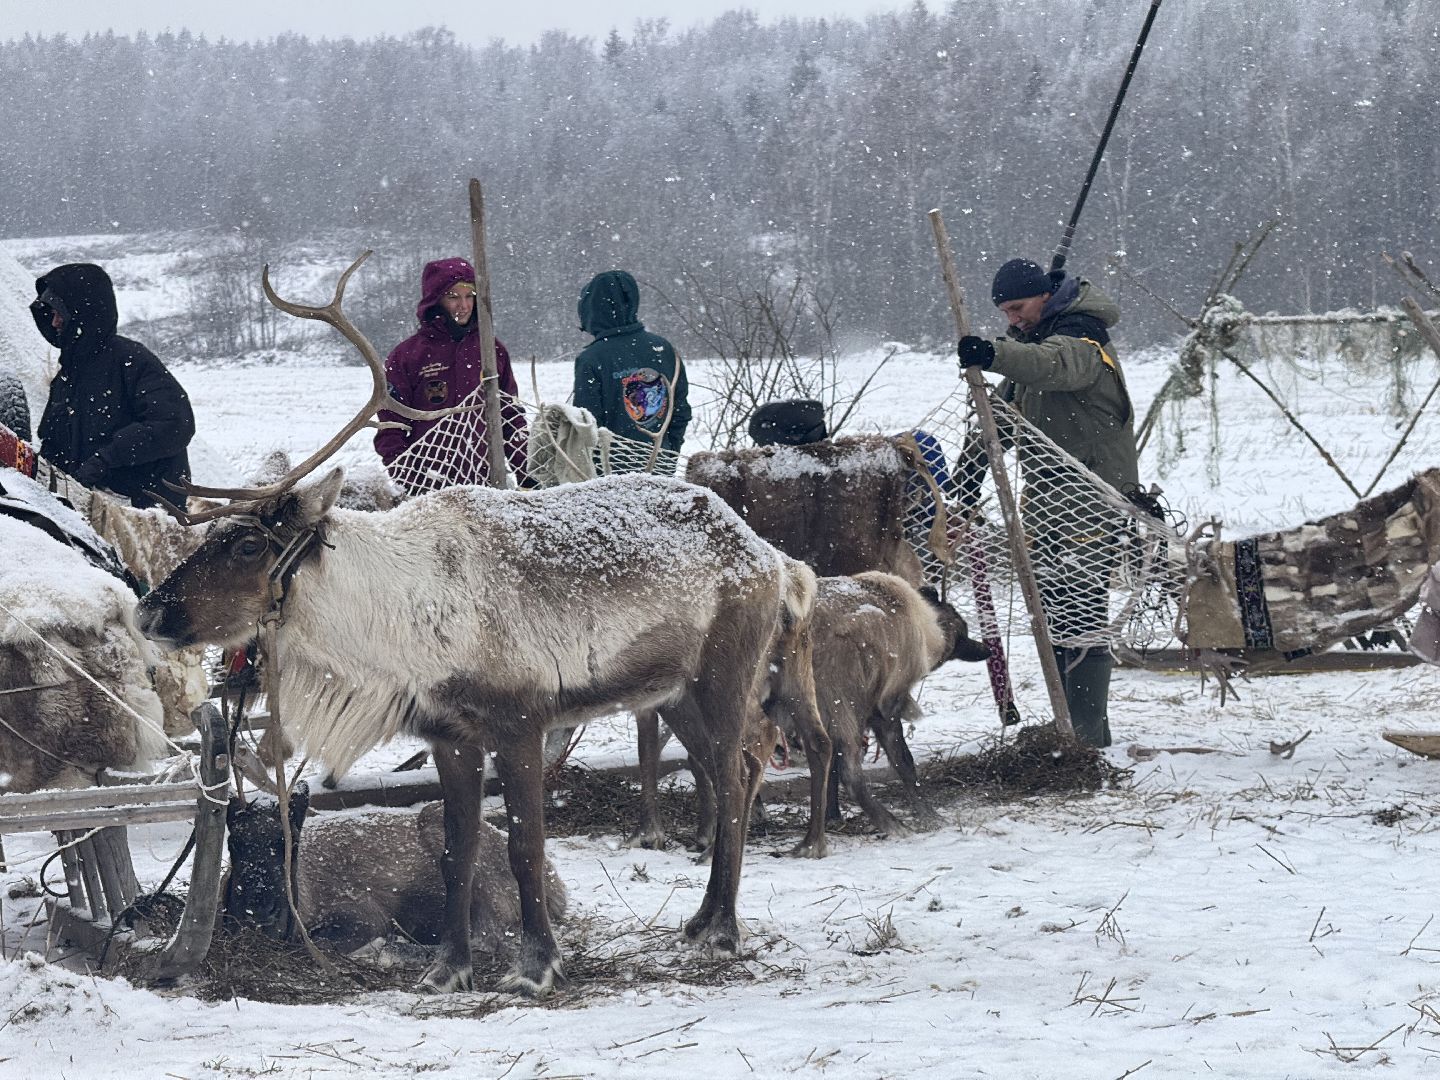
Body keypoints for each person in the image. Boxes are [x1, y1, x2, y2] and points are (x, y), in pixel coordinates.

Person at [955, 257, 1139, 749]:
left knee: (1080, 608)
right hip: (1046, 498)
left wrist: (993, 354)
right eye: (1004, 313)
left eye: (1018, 308)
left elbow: (1054, 367)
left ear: (1043, 296)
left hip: (1090, 493)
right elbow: (1002, 417)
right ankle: (1070, 724)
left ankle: (1086, 734)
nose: (1012, 319)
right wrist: (969, 472)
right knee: (1053, 609)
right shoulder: (1031, 344)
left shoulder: (1083, 339)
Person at [31, 263, 194, 509]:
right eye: (51, 314)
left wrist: (104, 459)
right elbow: (54, 440)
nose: (54, 323)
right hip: (91, 508)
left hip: (146, 513)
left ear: (82, 313)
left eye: (60, 313)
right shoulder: (70, 372)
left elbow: (174, 424)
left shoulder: (131, 360)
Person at [375, 257, 528, 493]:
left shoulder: (492, 349)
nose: (464, 305)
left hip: (488, 487)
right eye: (453, 297)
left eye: (469, 296)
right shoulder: (406, 356)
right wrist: (413, 482)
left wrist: (527, 474)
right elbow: (391, 428)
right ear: (435, 301)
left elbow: (510, 416)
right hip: (429, 490)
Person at [573, 270, 689, 472]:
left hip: (610, 477)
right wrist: (669, 455)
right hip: (660, 470)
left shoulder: (592, 359)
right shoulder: (664, 350)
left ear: (591, 309)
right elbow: (680, 412)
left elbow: (586, 427)